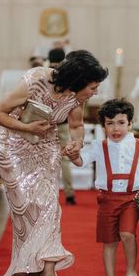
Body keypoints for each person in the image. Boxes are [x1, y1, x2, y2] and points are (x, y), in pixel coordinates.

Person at [0, 50, 108, 276]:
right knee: (27, 210)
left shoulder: (77, 96)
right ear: (77, 80)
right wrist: (26, 126)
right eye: (93, 87)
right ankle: (33, 272)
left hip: (46, 145)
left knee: (48, 207)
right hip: (13, 145)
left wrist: (77, 142)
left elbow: (76, 125)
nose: (95, 92)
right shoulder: (36, 79)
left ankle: (47, 273)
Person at [70, 99, 139, 276]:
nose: (115, 128)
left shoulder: (138, 146)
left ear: (130, 124)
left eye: (121, 122)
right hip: (107, 199)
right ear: (104, 125)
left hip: (131, 198)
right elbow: (81, 161)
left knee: (128, 234)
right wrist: (73, 154)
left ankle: (131, 272)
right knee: (109, 241)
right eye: (110, 123)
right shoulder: (98, 146)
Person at [46, 46, 77, 204]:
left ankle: (47, 194)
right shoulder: (67, 76)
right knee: (64, 160)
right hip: (62, 123)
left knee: (45, 159)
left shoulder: (43, 73)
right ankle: (69, 194)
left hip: (44, 124)